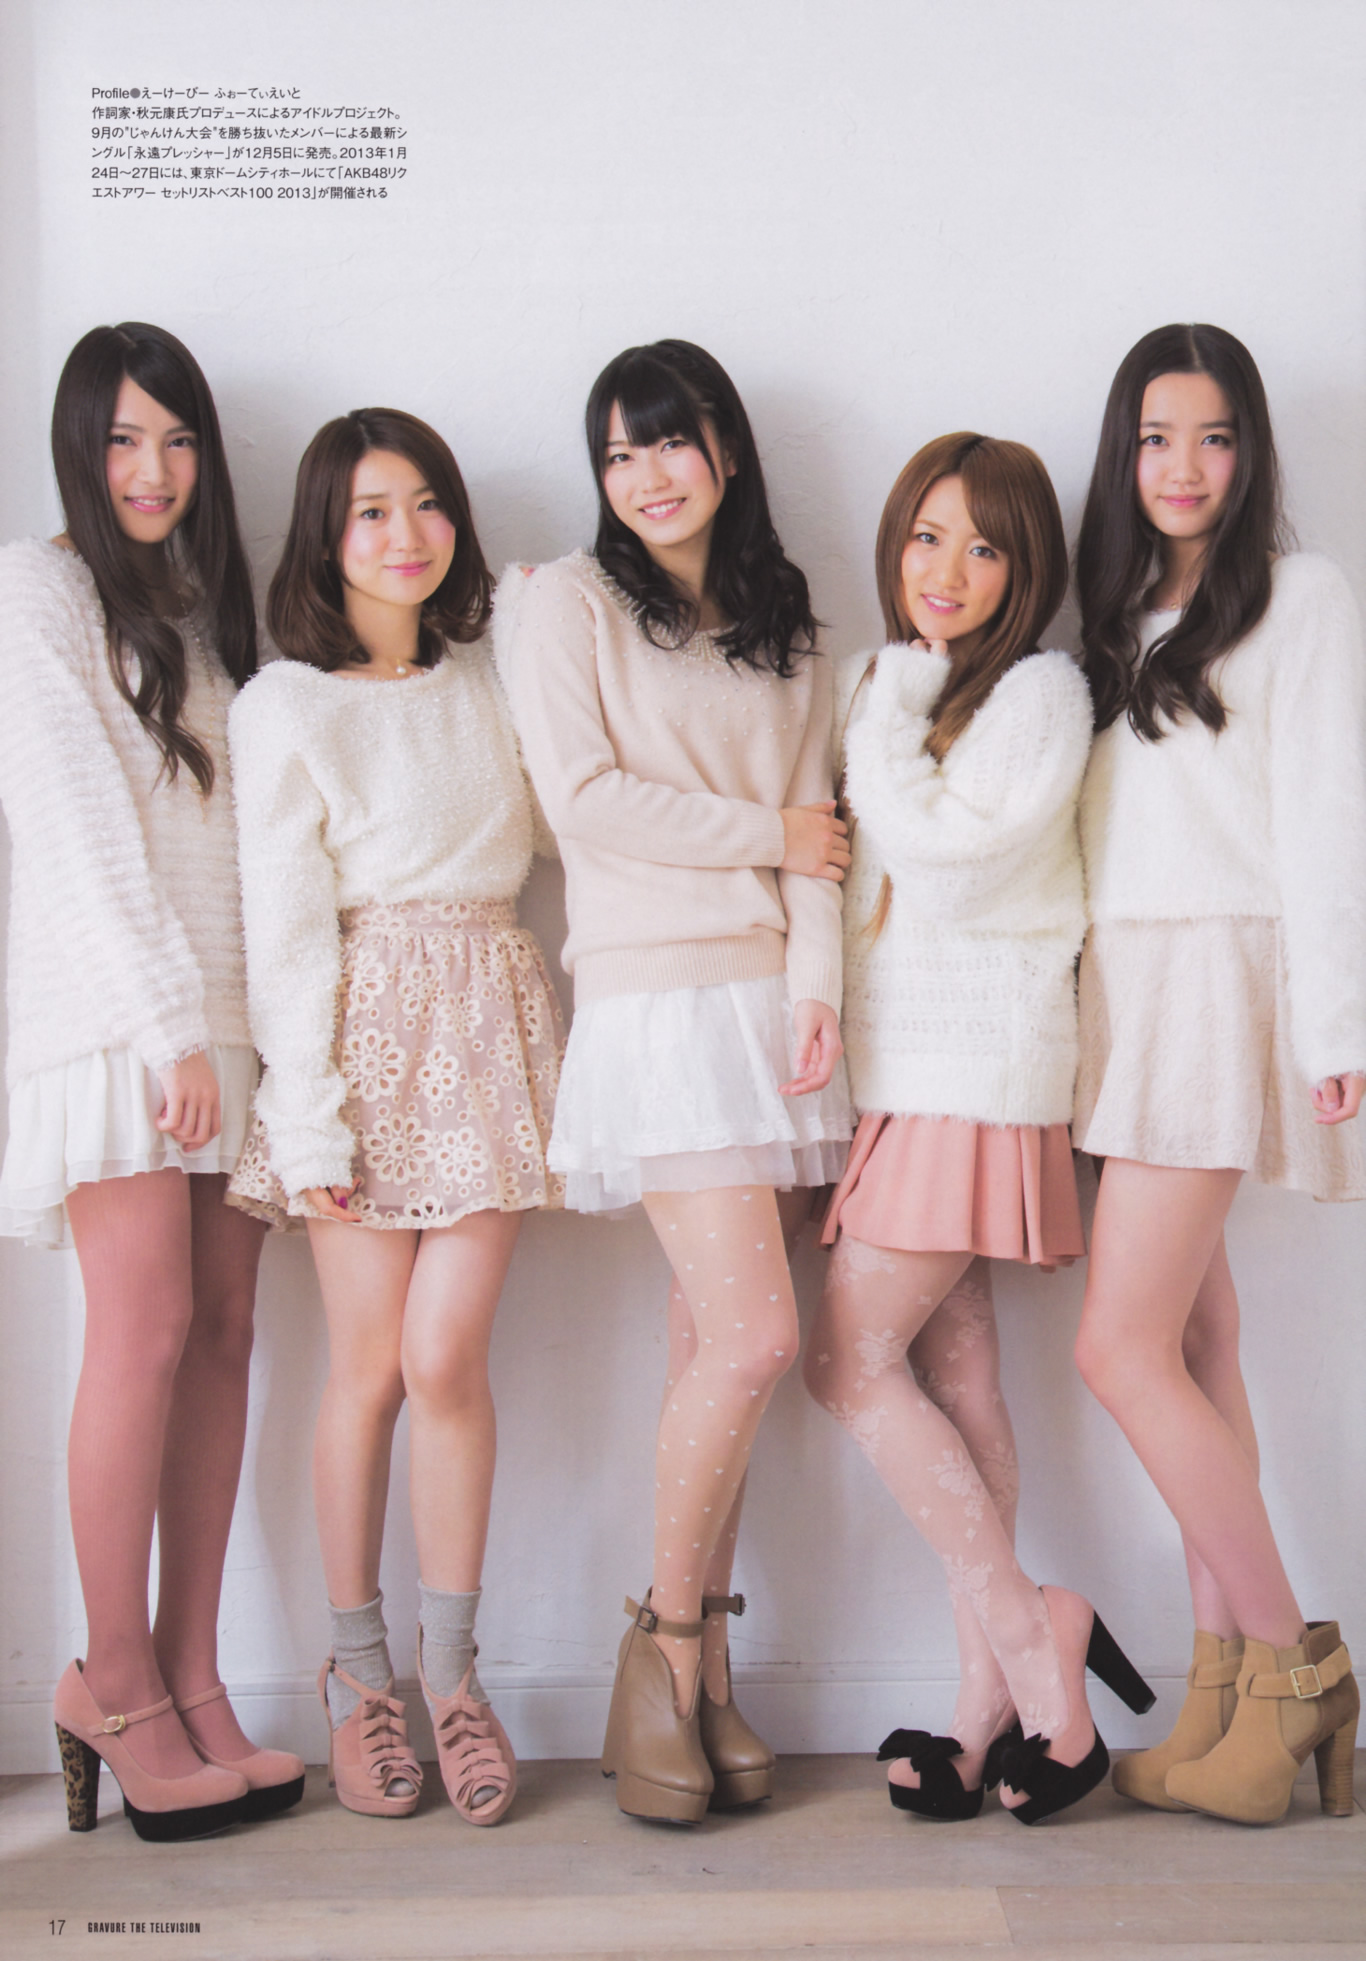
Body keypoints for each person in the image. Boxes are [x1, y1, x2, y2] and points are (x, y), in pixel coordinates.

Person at [499, 338, 852, 1823]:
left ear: (726, 446)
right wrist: (765, 839)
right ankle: (668, 1651)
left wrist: (819, 989)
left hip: (772, 1012)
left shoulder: (789, 629)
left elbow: (825, 832)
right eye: (616, 452)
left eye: (668, 441)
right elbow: (583, 801)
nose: (645, 475)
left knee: (710, 1347)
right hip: (655, 1003)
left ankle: (700, 1686)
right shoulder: (565, 601)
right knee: (759, 1339)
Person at [806, 433, 1151, 1825]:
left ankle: (1033, 1633)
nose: (946, 569)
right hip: (903, 1078)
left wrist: (888, 702)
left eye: (985, 545)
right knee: (956, 1381)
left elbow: (946, 868)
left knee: (846, 1360)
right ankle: (982, 1709)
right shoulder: (889, 686)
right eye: (926, 536)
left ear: (1027, 569)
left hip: (974, 1065)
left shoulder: (1037, 693)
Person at [226, 408, 565, 1826]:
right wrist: (306, 1119)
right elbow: (285, 928)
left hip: (487, 1021)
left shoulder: (492, 676)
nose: (406, 534)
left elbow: (570, 808)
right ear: (325, 535)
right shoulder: (286, 705)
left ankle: (455, 1675)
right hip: (358, 1040)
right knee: (367, 1368)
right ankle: (359, 1678)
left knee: (445, 1358)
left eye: (427, 503)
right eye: (371, 511)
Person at [0, 322, 302, 1839]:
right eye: (123, 438)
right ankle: (108, 1681)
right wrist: (166, 1026)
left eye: (178, 439)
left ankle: (190, 1671)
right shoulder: (36, 591)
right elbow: (69, 834)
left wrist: (252, 1034)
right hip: (125, 1021)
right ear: (78, 445)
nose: (153, 468)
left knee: (228, 1333)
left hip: (226, 1020)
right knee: (145, 1328)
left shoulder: (207, 608)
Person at [1072, 323, 1363, 1826]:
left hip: (1210, 978)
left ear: (1249, 452)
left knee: (1116, 1348)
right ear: (1122, 455)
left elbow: (1326, 815)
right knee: (1193, 1338)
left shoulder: (1299, 597)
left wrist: (1337, 1028)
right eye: (1156, 437)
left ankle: (1296, 1663)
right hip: (1123, 985)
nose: (1184, 467)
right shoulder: (1113, 614)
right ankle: (1222, 1692)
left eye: (1214, 436)